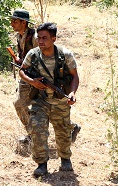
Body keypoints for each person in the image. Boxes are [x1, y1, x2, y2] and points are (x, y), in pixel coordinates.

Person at [18, 22, 80, 177]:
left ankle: (65, 159)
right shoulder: (33, 54)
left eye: (44, 38)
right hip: (40, 100)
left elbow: (74, 76)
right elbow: (22, 71)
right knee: (38, 131)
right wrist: (33, 82)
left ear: (54, 38)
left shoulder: (65, 55)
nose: (40, 41)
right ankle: (41, 164)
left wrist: (72, 93)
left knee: (63, 132)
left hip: (60, 102)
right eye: (39, 38)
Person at [10, 9, 37, 145]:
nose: (12, 24)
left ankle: (71, 128)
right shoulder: (20, 36)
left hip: (38, 78)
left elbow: (45, 57)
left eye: (15, 21)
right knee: (20, 104)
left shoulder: (35, 37)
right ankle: (33, 135)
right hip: (26, 77)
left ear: (24, 22)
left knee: (49, 108)